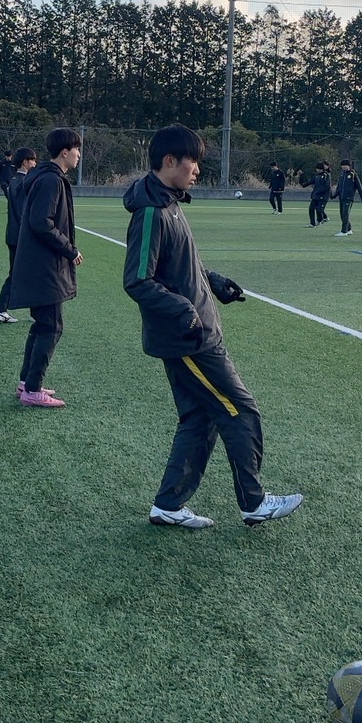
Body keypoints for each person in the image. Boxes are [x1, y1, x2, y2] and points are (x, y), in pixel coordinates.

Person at [124, 124, 303, 530]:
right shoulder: (151, 211)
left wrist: (212, 282)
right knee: (240, 409)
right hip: (189, 338)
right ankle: (254, 502)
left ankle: (168, 505)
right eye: (193, 161)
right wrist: (185, 310)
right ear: (170, 160)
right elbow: (137, 280)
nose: (197, 170)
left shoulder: (168, 203)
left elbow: (178, 266)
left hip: (195, 329)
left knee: (199, 418)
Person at [9, 128, 83, 407]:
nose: (79, 155)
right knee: (52, 326)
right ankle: (32, 389)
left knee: (43, 325)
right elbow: (42, 222)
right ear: (64, 152)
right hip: (45, 267)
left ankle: (26, 383)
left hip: (40, 264)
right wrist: (70, 249)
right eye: (76, 149)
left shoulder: (45, 177)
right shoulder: (51, 180)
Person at [0, 146, 37, 324]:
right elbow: (23, 213)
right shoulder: (22, 182)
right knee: (19, 274)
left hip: (13, 234)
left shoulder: (14, 180)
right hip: (20, 237)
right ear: (25, 162)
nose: (35, 163)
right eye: (33, 160)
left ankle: (33, 311)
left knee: (25, 273)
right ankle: (1, 309)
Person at [331, 159, 362, 236]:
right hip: (341, 197)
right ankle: (349, 229)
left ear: (349, 166)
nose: (343, 167)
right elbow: (339, 187)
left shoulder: (353, 175)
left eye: (345, 165)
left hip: (349, 198)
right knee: (342, 214)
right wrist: (334, 195)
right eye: (342, 165)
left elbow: (359, 186)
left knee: (345, 213)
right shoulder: (342, 175)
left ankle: (344, 231)